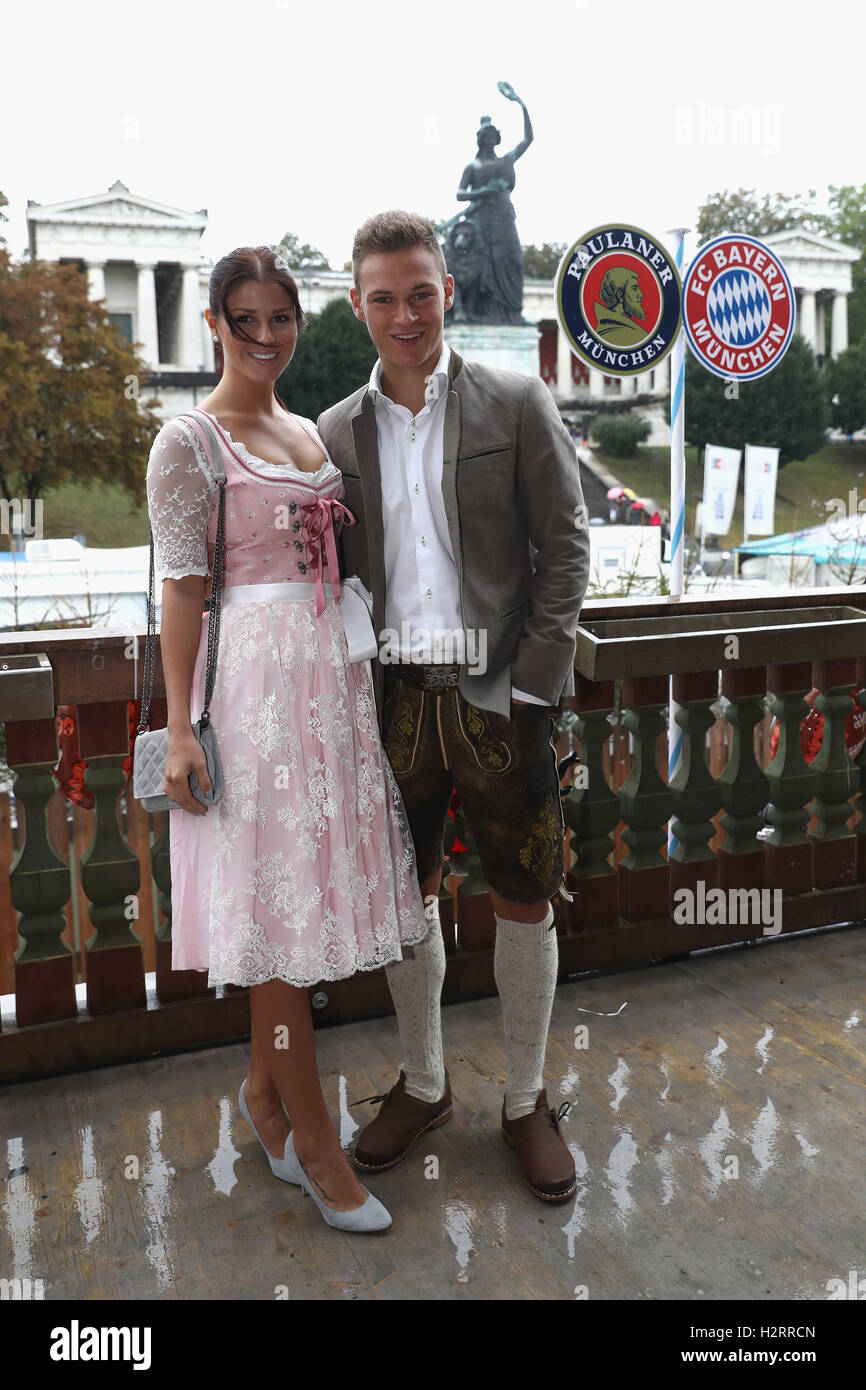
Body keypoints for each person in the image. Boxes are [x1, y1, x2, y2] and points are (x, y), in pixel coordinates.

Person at [145, 245, 430, 1233]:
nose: (266, 337)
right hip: (255, 694)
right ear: (214, 325)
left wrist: (363, 671)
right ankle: (315, 1141)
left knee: (298, 920)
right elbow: (180, 593)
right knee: (276, 928)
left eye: (282, 318)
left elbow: (339, 576)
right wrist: (181, 727)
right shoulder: (187, 439)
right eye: (246, 319)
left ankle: (265, 1100)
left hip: (328, 690)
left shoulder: (307, 431)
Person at [317, 211, 590, 1202]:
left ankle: (524, 1100)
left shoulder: (517, 401)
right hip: (392, 700)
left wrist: (534, 678)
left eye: (419, 292)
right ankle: (425, 1083)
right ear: (357, 305)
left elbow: (564, 547)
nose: (403, 313)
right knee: (404, 902)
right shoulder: (335, 430)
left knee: (523, 895)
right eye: (382, 297)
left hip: (499, 696)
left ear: (445, 291)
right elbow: (337, 577)